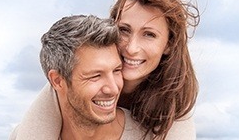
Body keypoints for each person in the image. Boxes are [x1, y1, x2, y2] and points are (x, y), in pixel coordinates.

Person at [10, 0, 200, 140]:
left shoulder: (175, 99)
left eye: (149, 34)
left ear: (169, 43)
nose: (132, 48)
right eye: (124, 30)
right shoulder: (73, 74)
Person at [10, 15, 153, 140]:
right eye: (95, 76)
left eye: (116, 70)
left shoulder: (151, 135)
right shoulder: (22, 135)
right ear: (57, 81)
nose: (113, 89)